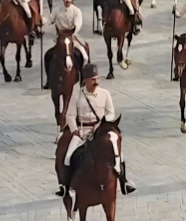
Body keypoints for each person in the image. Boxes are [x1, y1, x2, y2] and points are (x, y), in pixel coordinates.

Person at [57, 63, 134, 196]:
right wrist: (74, 130)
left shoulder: (105, 94)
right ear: (85, 80)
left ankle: (124, 182)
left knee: (119, 153)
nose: (96, 81)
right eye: (92, 79)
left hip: (99, 129)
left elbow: (110, 113)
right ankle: (66, 185)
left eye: (97, 78)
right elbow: (70, 114)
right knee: (68, 156)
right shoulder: (77, 95)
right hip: (82, 130)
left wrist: (103, 124)